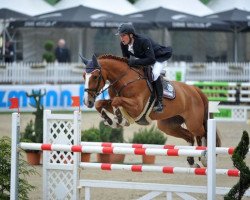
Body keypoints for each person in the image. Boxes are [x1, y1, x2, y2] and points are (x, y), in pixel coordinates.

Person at [116, 23, 172, 113]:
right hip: (145, 58)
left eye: (123, 35)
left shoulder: (143, 41)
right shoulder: (123, 44)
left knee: (154, 75)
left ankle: (160, 102)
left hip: (158, 58)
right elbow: (126, 60)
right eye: (120, 36)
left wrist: (133, 62)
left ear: (131, 35)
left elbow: (151, 59)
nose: (121, 38)